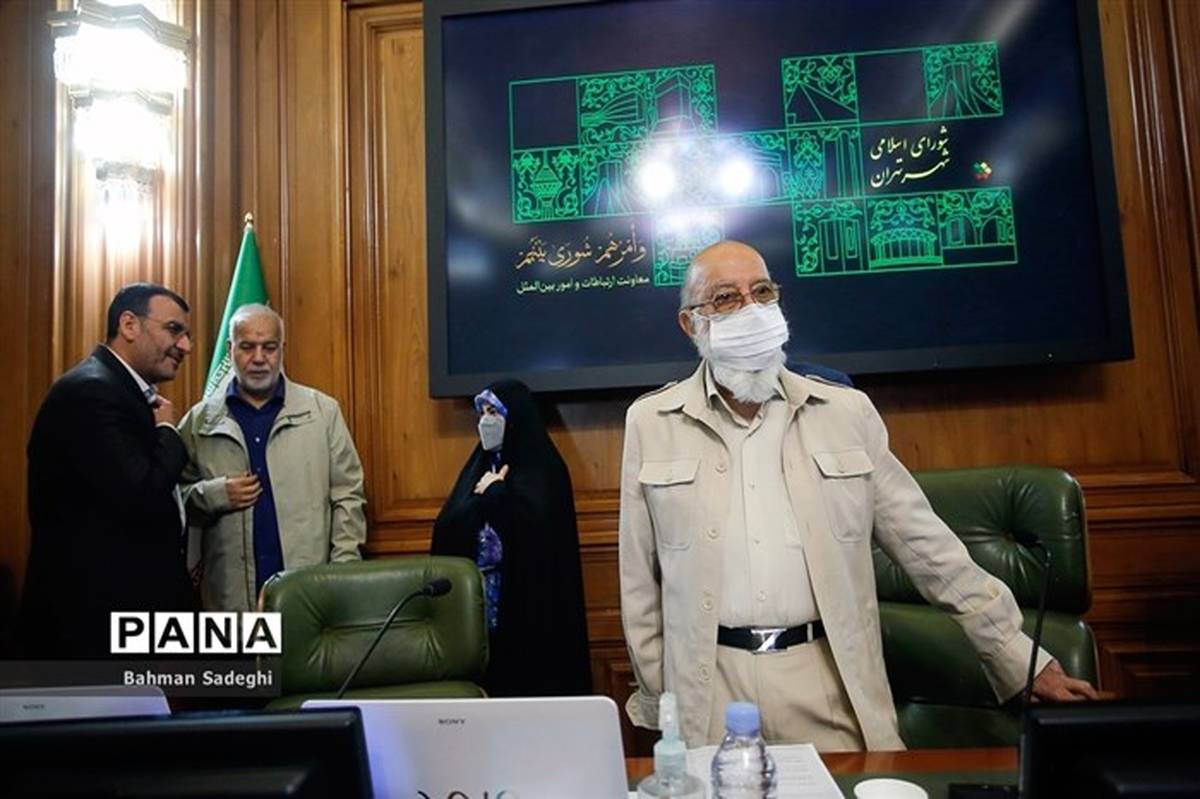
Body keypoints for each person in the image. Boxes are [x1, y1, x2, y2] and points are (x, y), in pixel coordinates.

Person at [619, 240, 1097, 750]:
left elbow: (927, 548)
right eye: (726, 298)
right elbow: (639, 584)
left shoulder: (846, 413)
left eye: (762, 292)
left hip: (827, 684)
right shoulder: (652, 422)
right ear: (691, 324)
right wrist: (662, 700)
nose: (752, 310)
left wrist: (1018, 657)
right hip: (708, 689)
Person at [20, 283, 197, 658]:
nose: (186, 346)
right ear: (129, 325)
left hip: (132, 619)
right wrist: (168, 432)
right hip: (94, 628)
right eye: (173, 330)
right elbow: (143, 493)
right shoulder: (92, 392)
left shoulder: (119, 390)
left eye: (187, 335)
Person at [177, 304, 366, 611]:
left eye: (269, 347)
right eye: (247, 347)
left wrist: (340, 574)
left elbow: (348, 496)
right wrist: (214, 494)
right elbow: (173, 501)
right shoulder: (200, 421)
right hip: (230, 601)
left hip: (308, 595)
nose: (258, 358)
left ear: (282, 349)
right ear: (230, 349)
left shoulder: (322, 412)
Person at [431, 379, 592, 697]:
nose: (485, 421)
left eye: (494, 412)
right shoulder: (477, 467)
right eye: (482, 413)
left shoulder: (544, 469)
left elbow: (540, 536)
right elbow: (447, 527)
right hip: (478, 616)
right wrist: (481, 502)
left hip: (530, 614)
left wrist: (496, 495)